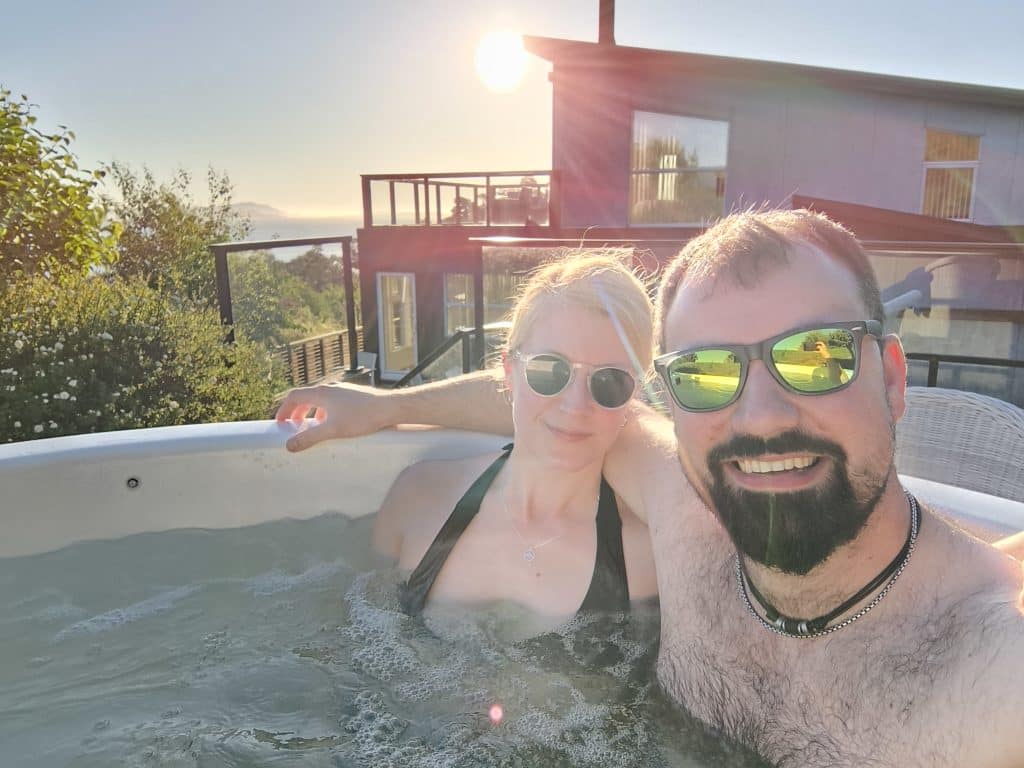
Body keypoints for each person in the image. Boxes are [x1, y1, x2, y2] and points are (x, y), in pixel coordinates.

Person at [277, 211, 1024, 766]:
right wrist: (385, 407)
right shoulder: (683, 509)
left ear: (892, 377)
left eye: (816, 356)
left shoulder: (993, 664)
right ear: (671, 404)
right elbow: (553, 406)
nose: (761, 417)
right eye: (708, 372)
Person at [285, 253, 659, 639]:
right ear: (509, 374)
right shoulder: (419, 497)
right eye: (549, 370)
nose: (575, 406)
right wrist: (385, 407)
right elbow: (353, 633)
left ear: (634, 396)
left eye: (610, 381)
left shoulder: (645, 557)